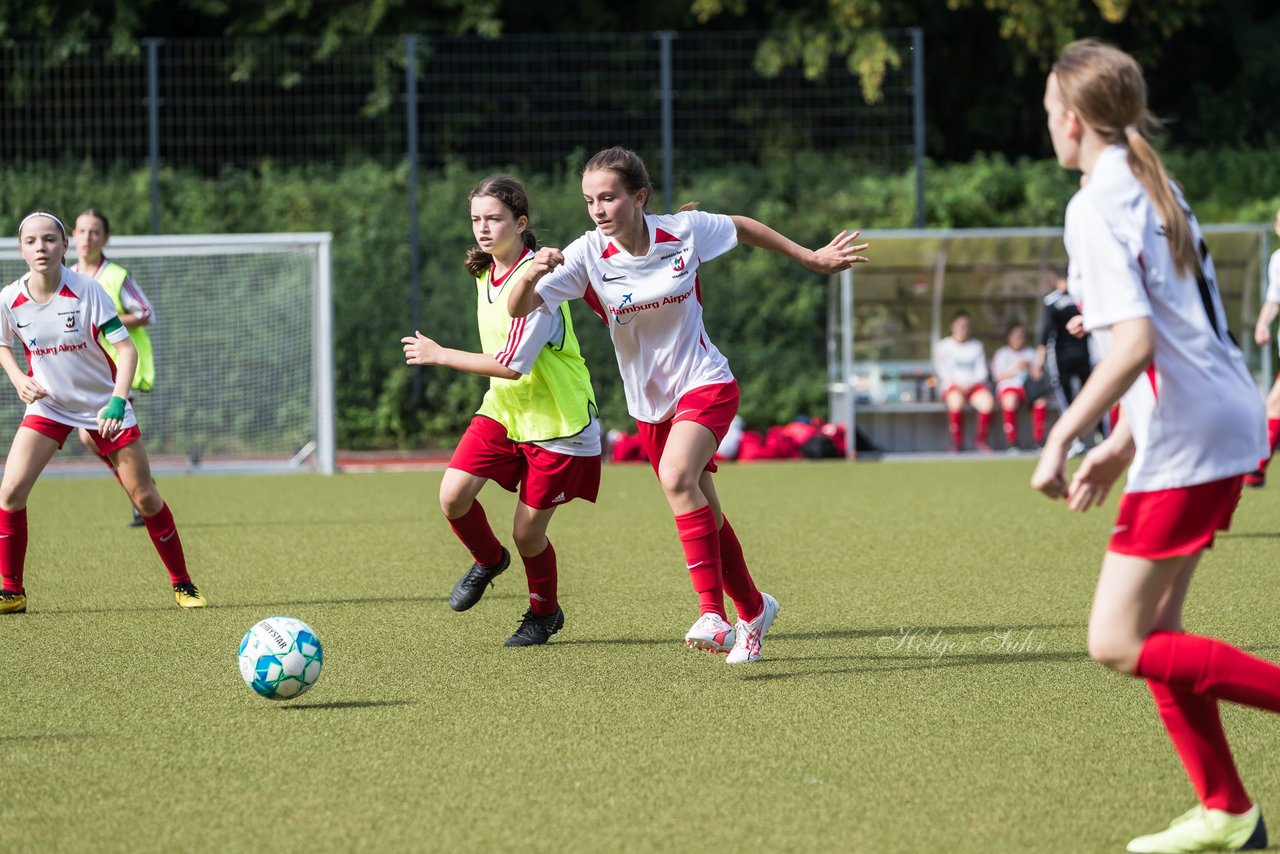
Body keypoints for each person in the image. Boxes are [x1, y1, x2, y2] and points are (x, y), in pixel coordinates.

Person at [1032, 40, 1274, 853]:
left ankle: (1224, 807)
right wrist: (1117, 445)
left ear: (1071, 121)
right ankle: (1226, 810)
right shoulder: (1145, 182)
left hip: (1194, 430)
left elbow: (1135, 344)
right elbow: (1175, 338)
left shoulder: (1096, 202)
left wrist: (1066, 434)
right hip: (1211, 415)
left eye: (1047, 116)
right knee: (1159, 632)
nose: (1049, 129)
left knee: (1117, 640)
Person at [506, 146, 868, 664]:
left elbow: (742, 226)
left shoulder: (684, 230)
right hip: (649, 407)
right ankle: (753, 608)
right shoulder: (586, 255)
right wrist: (530, 270)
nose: (599, 210)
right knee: (705, 515)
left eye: (609, 197)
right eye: (590, 201)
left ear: (639, 196)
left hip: (706, 383)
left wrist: (811, 257)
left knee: (678, 478)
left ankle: (712, 614)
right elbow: (520, 306)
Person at [402, 175, 601, 648]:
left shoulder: (540, 283)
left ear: (521, 222)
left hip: (558, 423)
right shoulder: (484, 271)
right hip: (504, 412)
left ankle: (544, 614)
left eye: (494, 218)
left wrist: (440, 353)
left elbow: (512, 365)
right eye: (476, 219)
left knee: (527, 534)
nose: (483, 228)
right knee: (452, 497)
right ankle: (489, 560)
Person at [0, 211, 205, 614]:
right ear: (22, 248)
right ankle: (12, 591)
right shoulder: (9, 298)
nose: (41, 247)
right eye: (31, 241)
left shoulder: (88, 290)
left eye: (49, 240)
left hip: (103, 407)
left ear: (64, 246)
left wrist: (117, 399)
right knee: (10, 491)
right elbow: (3, 345)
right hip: (50, 405)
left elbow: (126, 350)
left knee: (145, 498)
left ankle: (184, 583)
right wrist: (18, 378)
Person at [72, 208, 157, 526]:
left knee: (99, 433)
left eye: (94, 232)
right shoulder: (66, 276)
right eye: (81, 231)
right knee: (93, 437)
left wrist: (106, 319)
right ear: (72, 237)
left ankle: (141, 493)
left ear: (104, 237)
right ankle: (140, 488)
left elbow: (146, 311)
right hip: (85, 371)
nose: (87, 237)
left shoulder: (116, 275)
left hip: (119, 370)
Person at [1033, 266, 1094, 457]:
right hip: (1086, 355)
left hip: (1061, 359)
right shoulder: (1084, 299)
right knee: (1094, 395)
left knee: (1067, 401)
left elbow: (1046, 334)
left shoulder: (1052, 301)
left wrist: (1038, 361)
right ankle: (1102, 436)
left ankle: (1075, 441)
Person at [1246, 207, 1280, 486]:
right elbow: (1274, 299)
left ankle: (1256, 468)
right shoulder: (1277, 259)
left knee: (1275, 402)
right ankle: (1256, 469)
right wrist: (1262, 323)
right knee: (1275, 403)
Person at [933, 310, 994, 453]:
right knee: (956, 403)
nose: (962, 329)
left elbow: (982, 372)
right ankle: (957, 444)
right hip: (953, 386)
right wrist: (957, 384)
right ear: (952, 326)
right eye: (959, 325)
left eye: (966, 326)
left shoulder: (977, 346)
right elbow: (941, 370)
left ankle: (981, 442)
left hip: (974, 386)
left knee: (987, 403)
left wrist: (970, 384)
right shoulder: (943, 345)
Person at [990, 321, 1048, 450]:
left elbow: (1038, 376)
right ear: (1009, 337)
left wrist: (1032, 367)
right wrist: (1016, 368)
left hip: (1028, 389)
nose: (1018, 339)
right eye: (1015, 336)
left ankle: (1039, 441)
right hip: (1009, 387)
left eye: (1021, 336)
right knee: (1010, 400)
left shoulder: (1031, 353)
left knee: (1041, 401)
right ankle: (1012, 442)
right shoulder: (1002, 353)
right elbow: (997, 377)